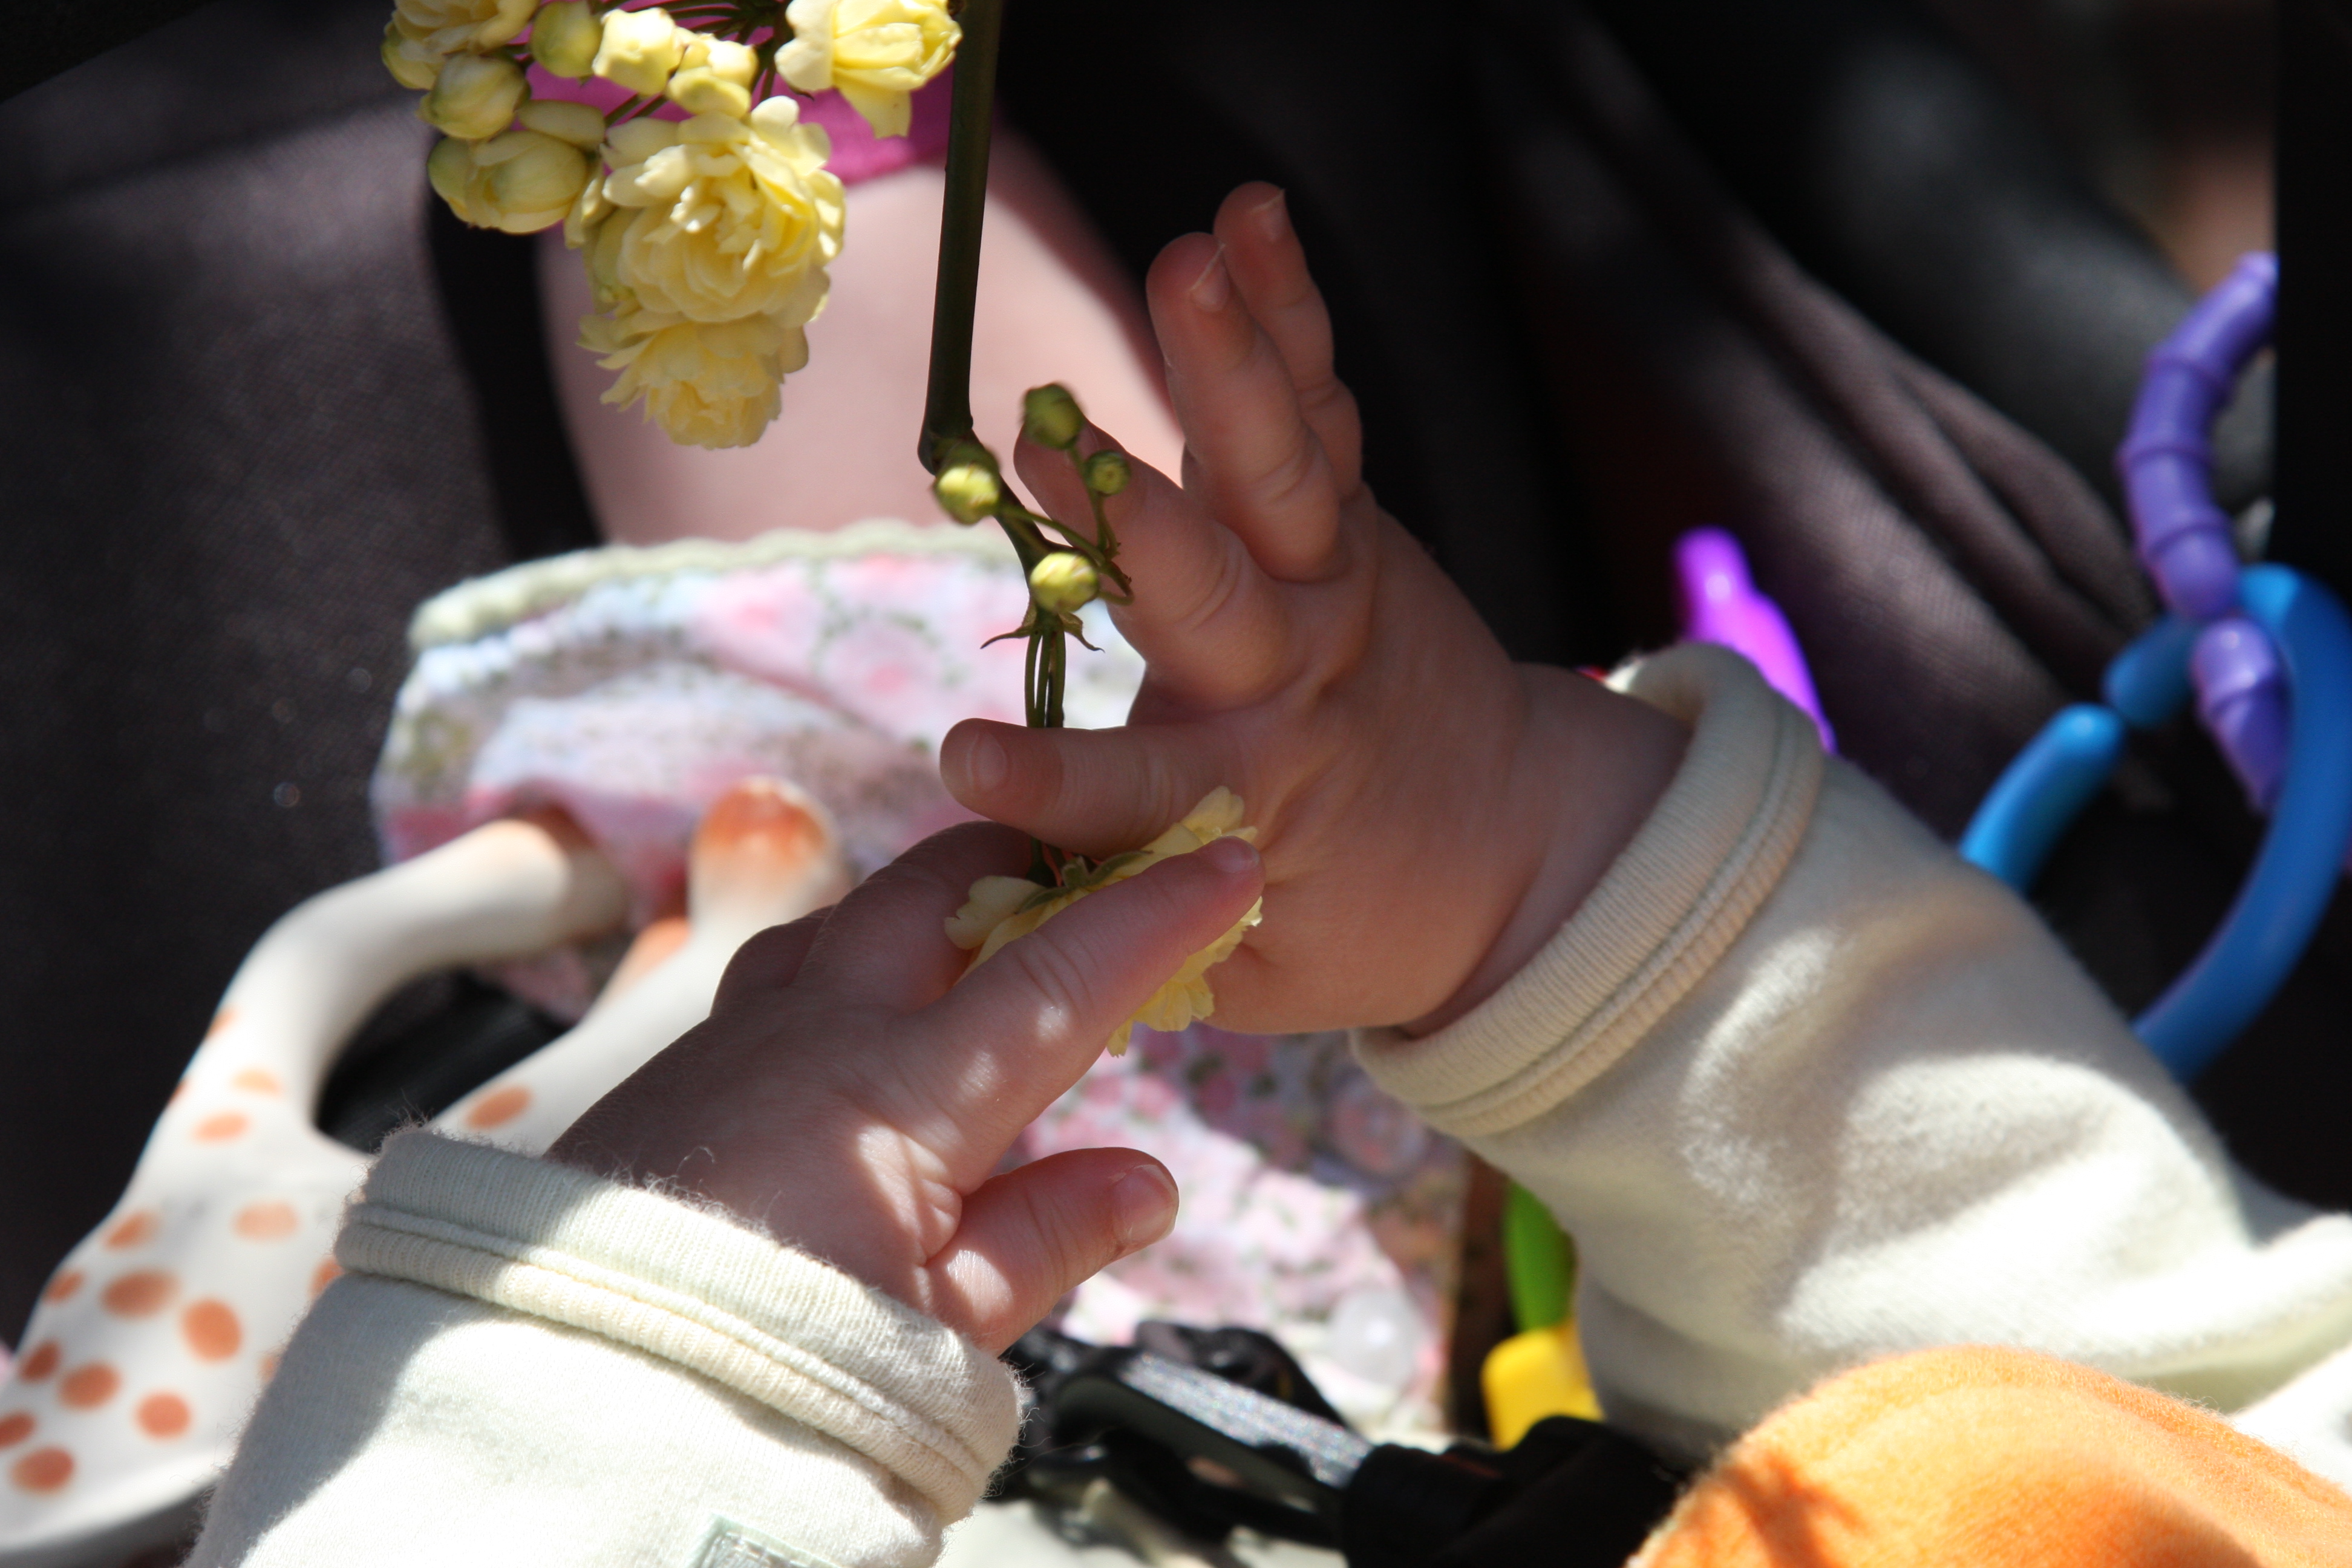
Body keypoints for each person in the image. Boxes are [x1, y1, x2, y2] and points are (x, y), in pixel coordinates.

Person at [185, 185, 2352, 1566]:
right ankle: (787, 155)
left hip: (589, 1455)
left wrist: (623, 1389)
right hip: (1289, 1356)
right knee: (1054, 752)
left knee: (874, 783)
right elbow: (2163, 1413)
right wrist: (1530, 870)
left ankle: (722, 159)